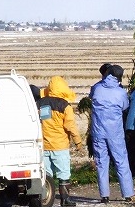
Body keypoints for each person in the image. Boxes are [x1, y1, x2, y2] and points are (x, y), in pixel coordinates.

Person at [89, 65, 134, 203]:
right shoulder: (120, 92)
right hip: (115, 132)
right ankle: (127, 194)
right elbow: (125, 106)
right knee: (121, 161)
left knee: (102, 162)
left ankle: (104, 196)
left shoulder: (97, 88)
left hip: (98, 132)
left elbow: (91, 97)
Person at [36, 76, 82, 207]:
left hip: (44, 145)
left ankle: (45, 199)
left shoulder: (39, 103)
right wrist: (78, 142)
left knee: (46, 175)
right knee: (64, 174)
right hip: (60, 146)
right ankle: (65, 200)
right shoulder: (65, 106)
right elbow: (70, 126)